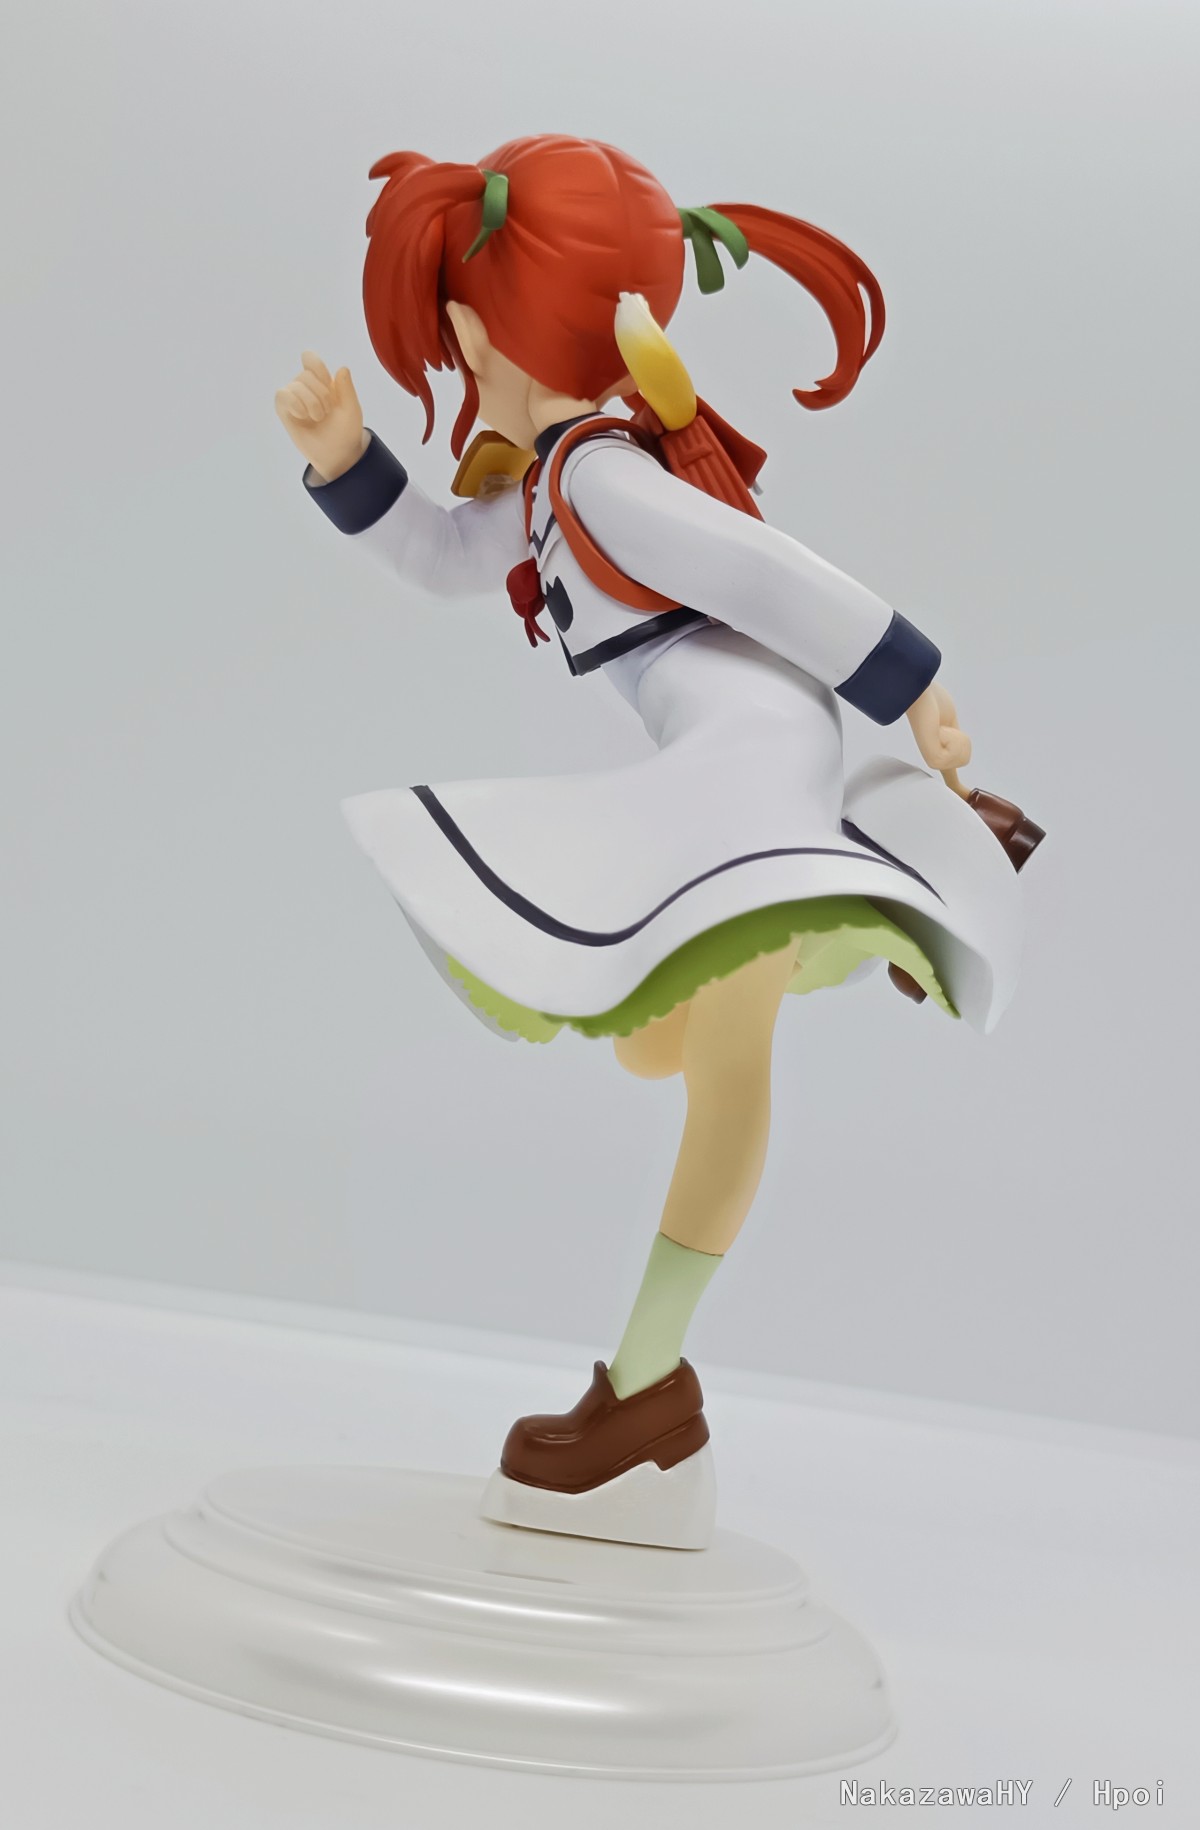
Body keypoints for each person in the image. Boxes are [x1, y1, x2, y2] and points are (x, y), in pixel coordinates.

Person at [275, 134, 1036, 1550]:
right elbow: (442, 555)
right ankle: (844, 929)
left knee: (722, 1061)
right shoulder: (552, 480)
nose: (455, 355)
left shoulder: (604, 481)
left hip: (750, 767)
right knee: (652, 1039)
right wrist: (346, 466)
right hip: (732, 759)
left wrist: (915, 684)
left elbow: (767, 572)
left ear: (499, 333)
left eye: (459, 330)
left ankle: (644, 1392)